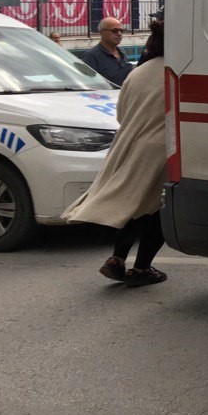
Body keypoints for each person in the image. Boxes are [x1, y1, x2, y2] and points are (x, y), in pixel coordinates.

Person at [62, 18, 168, 287]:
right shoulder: (176, 74)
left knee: (133, 205)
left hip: (130, 145)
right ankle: (141, 268)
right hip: (162, 150)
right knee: (158, 210)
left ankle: (117, 259)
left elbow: (121, 114)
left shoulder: (138, 73)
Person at [80, 17, 133, 86]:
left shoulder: (122, 51)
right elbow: (88, 82)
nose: (119, 34)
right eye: (114, 31)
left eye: (121, 31)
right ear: (101, 32)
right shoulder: (91, 56)